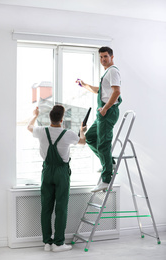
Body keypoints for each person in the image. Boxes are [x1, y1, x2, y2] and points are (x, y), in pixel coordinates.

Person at [27, 105, 86, 252]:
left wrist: (35, 115)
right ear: (62, 119)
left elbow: (29, 126)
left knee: (46, 208)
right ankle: (58, 243)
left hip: (47, 171)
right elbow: (83, 142)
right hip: (61, 173)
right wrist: (82, 132)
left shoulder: (41, 131)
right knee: (61, 208)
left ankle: (47, 243)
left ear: (50, 118)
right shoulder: (68, 134)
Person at [76, 46, 122, 192]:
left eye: (105, 57)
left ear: (112, 57)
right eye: (101, 57)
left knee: (103, 144)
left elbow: (117, 92)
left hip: (107, 113)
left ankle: (106, 179)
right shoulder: (107, 72)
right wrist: (85, 85)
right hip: (102, 113)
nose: (103, 59)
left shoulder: (113, 71)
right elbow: (99, 91)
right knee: (89, 137)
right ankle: (108, 163)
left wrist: (105, 108)